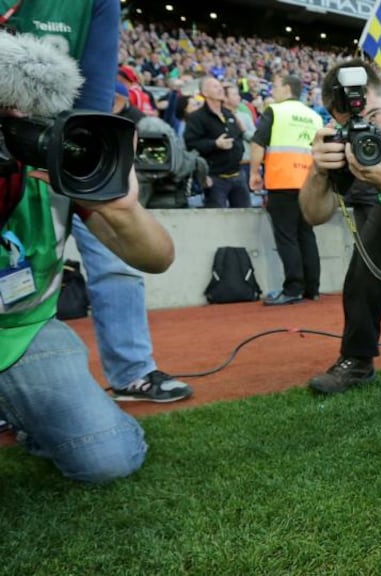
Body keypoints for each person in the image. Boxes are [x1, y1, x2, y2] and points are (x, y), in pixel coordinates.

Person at [0, 8, 177, 483]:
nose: (17, 122)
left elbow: (157, 256)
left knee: (108, 458)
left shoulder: (45, 166)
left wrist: (123, 207)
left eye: (25, 107)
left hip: (19, 332)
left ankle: (26, 414)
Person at [299, 60, 381, 394]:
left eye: (374, 116)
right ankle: (357, 360)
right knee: (364, 270)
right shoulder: (341, 141)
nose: (370, 131)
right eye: (355, 123)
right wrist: (318, 171)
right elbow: (314, 215)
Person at [250, 74, 324, 305]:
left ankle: (293, 288)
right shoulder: (314, 116)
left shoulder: (275, 111)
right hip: (310, 184)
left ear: (287, 89)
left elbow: (258, 142)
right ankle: (312, 289)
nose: (273, 90)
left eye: (276, 86)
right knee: (306, 235)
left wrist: (254, 173)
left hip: (282, 181)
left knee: (287, 237)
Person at [185, 76, 249, 208]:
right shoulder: (196, 118)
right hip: (215, 178)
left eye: (220, 86)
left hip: (238, 174)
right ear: (205, 93)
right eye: (215, 86)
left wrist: (239, 150)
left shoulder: (229, 114)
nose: (220, 88)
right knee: (216, 218)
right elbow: (191, 144)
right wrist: (215, 144)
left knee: (244, 217)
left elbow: (238, 137)